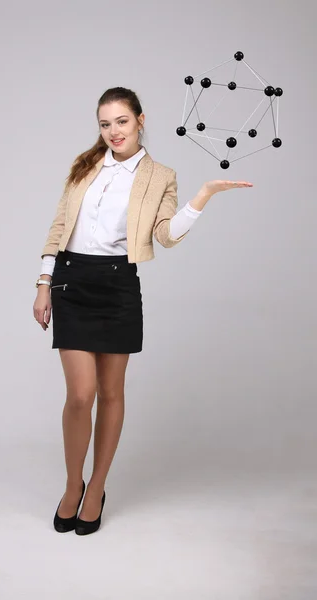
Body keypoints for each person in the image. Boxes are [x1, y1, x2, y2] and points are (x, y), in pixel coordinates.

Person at [33, 87, 253, 535]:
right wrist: (43, 283)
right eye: (105, 123)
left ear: (140, 120)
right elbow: (59, 225)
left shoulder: (161, 176)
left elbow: (166, 235)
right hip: (72, 280)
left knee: (111, 393)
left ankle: (97, 488)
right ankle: (73, 485)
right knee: (81, 395)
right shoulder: (84, 165)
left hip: (118, 285)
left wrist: (204, 195)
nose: (113, 131)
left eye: (121, 122)